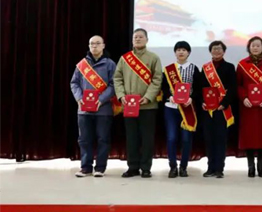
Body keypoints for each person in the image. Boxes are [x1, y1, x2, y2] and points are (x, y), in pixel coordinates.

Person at [114, 28, 162, 178]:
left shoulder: (153, 58)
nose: (138, 39)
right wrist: (121, 96)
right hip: (129, 106)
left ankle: (146, 167)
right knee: (131, 138)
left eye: (141, 37)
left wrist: (148, 97)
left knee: (147, 138)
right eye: (135, 37)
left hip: (148, 106)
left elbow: (157, 79)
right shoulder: (125, 59)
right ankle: (132, 167)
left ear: (147, 40)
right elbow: (117, 78)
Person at [69, 35, 117, 177]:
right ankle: (85, 167)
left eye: (97, 43)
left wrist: (101, 100)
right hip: (84, 109)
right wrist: (79, 98)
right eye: (91, 44)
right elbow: (74, 83)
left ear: (103, 45)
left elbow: (114, 85)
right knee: (84, 139)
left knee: (103, 139)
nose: (94, 46)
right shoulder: (82, 64)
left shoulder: (110, 64)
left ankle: (100, 168)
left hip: (103, 109)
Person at [236, 37, 262, 178]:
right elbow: (238, 85)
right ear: (249, 48)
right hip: (248, 106)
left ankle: (261, 166)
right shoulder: (242, 64)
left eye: (258, 45)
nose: (255, 48)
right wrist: (244, 98)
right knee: (249, 136)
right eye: (253, 45)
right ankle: (251, 166)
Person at [161, 41, 201, 178]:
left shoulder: (194, 68)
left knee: (186, 139)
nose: (181, 52)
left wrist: (192, 98)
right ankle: (173, 167)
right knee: (171, 138)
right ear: (175, 52)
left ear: (188, 52)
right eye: (178, 50)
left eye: (184, 50)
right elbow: (164, 87)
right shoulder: (169, 69)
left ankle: (183, 167)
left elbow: (198, 88)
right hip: (171, 108)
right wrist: (169, 96)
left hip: (188, 108)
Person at [198, 40, 236, 179]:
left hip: (222, 109)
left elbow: (232, 88)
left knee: (221, 139)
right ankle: (210, 168)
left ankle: (219, 168)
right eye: (214, 49)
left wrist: (224, 103)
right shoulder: (205, 68)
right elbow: (200, 88)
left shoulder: (230, 67)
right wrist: (202, 102)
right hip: (208, 110)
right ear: (210, 51)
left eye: (219, 49)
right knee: (209, 139)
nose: (217, 51)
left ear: (224, 51)